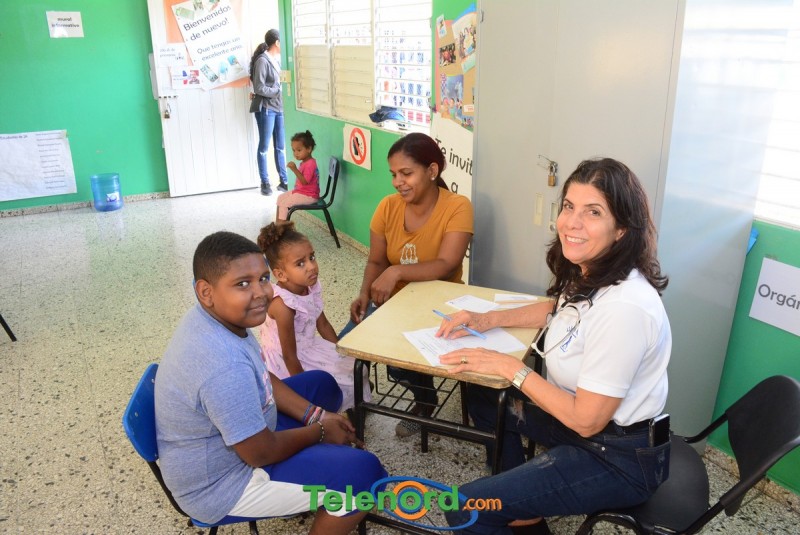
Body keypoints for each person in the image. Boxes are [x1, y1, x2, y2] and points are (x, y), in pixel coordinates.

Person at [436, 157, 671, 534]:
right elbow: (559, 309)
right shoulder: (597, 270)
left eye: (593, 212)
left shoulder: (625, 308)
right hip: (589, 428)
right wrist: (486, 319)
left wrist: (509, 367)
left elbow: (586, 420)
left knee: (466, 506)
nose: (572, 223)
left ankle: (510, 505)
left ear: (622, 229)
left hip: (618, 456)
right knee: (484, 392)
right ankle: (524, 510)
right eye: (568, 207)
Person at [154, 231, 386, 533]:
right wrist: (319, 431)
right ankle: (322, 482)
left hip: (241, 438)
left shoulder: (219, 319)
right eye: (242, 284)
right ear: (205, 291)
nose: (261, 293)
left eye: (263, 278)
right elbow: (260, 453)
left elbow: (263, 376)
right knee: (366, 475)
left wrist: (316, 415)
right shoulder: (223, 365)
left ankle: (310, 472)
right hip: (225, 483)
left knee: (323, 384)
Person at [345, 132, 474, 438]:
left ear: (432, 170)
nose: (398, 182)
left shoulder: (458, 206)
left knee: (401, 358)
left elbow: (447, 264)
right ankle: (360, 396)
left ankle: (425, 401)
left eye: (406, 173)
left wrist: (397, 271)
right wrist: (364, 294)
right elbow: (376, 261)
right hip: (393, 303)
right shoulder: (387, 207)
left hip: (439, 303)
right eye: (393, 174)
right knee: (348, 347)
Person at [257, 221, 370, 411]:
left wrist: (340, 351)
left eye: (312, 257)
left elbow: (323, 324)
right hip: (288, 361)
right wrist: (305, 390)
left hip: (309, 346)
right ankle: (330, 411)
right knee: (334, 382)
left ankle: (354, 403)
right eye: (300, 263)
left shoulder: (310, 287)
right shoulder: (283, 305)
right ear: (281, 274)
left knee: (355, 367)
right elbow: (289, 356)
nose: (311, 266)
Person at [249, 29, 288, 196]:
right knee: (264, 147)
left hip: (279, 108)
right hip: (266, 109)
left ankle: (284, 181)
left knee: (280, 147)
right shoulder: (262, 61)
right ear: (277, 43)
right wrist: (277, 91)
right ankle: (265, 182)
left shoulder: (277, 60)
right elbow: (259, 87)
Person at [276, 130, 320, 222]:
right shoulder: (304, 162)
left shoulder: (310, 164)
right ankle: (278, 225)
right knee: (280, 199)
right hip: (301, 192)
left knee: (284, 204)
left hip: (309, 196)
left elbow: (304, 182)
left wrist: (294, 169)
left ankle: (281, 228)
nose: (296, 153)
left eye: (299, 150)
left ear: (309, 149)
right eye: (294, 150)